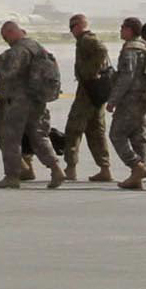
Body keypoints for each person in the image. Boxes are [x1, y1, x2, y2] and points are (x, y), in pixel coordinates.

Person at [0, 20, 66, 188]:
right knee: (39, 136)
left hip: (20, 100)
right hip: (38, 99)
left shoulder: (19, 50)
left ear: (11, 32)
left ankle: (12, 176)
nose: (6, 41)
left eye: (5, 37)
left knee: (10, 137)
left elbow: (9, 72)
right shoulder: (38, 47)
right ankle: (56, 169)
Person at [61, 13, 113, 183]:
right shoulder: (85, 40)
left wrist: (91, 73)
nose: (71, 31)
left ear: (78, 25)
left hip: (88, 93)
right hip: (93, 93)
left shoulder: (86, 40)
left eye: (72, 27)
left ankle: (70, 168)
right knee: (96, 131)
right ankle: (104, 168)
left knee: (73, 129)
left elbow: (101, 50)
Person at [108, 17, 146, 188]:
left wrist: (113, 100)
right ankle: (137, 178)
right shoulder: (145, 47)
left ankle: (136, 165)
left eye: (123, 27)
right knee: (138, 138)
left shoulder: (130, 50)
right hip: (144, 99)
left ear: (130, 30)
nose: (120, 30)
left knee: (116, 134)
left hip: (130, 100)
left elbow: (126, 77)